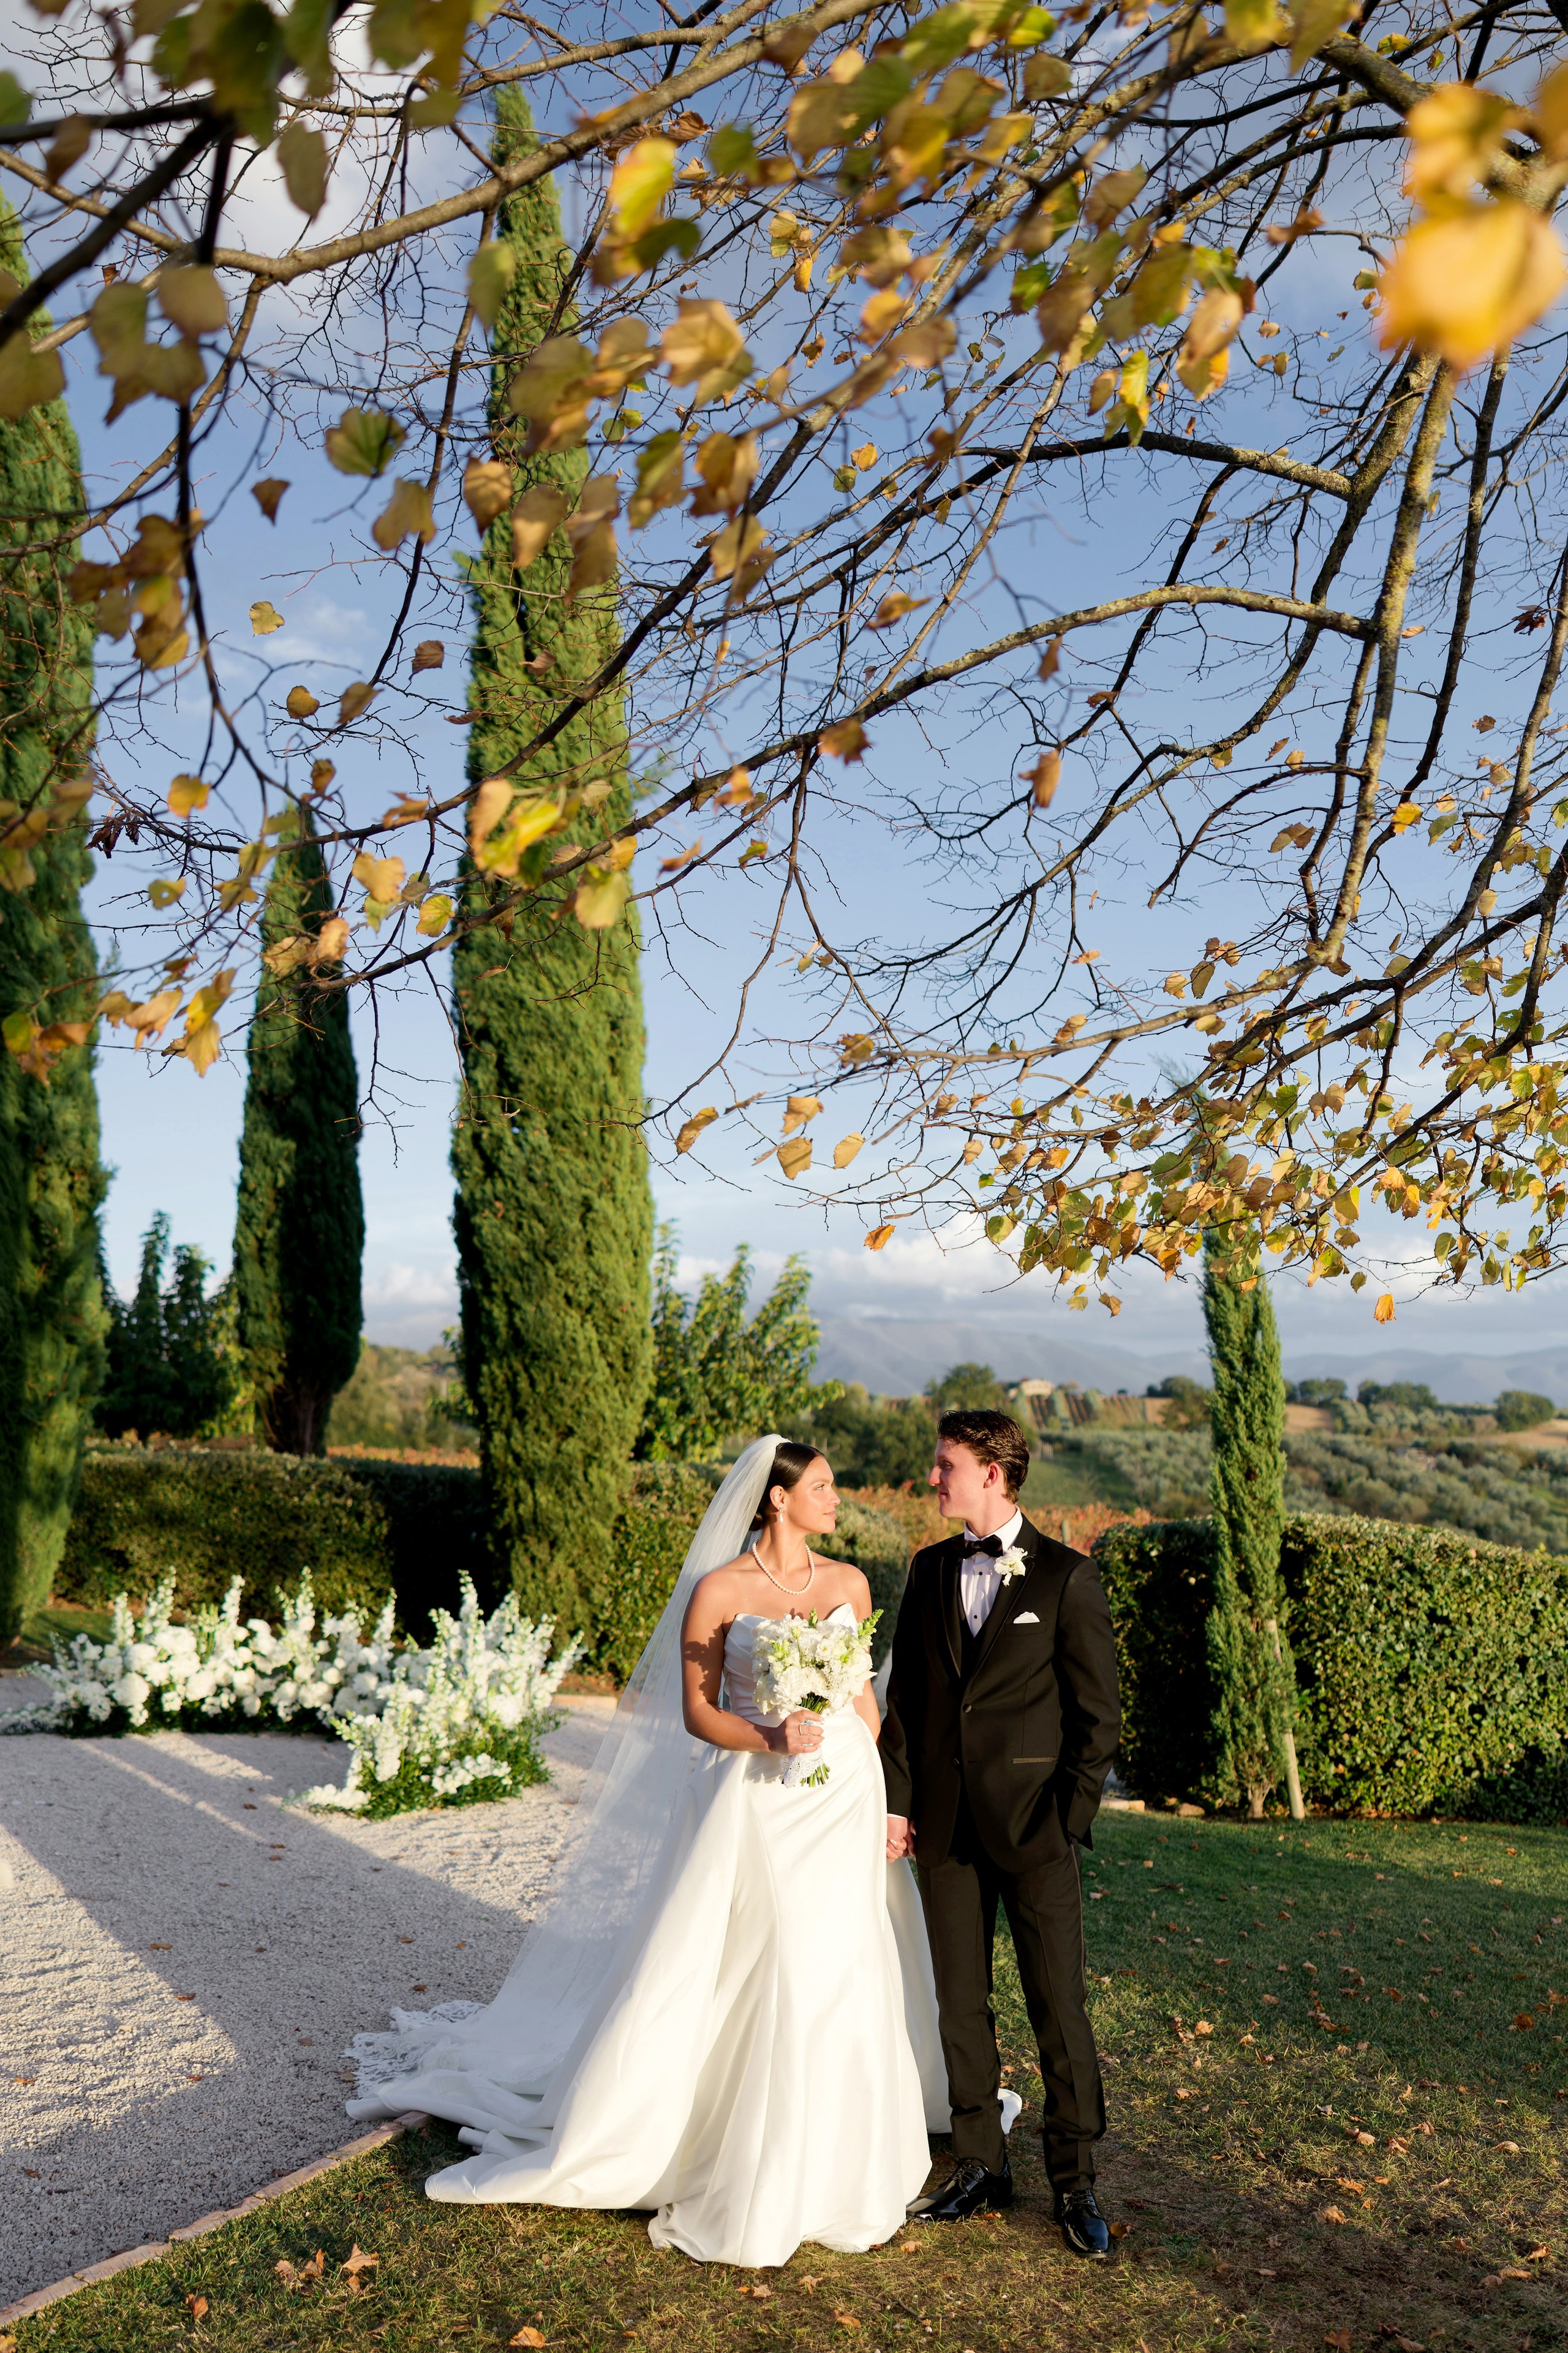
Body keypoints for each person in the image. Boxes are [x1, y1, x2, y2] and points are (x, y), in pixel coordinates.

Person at [345, 1435, 952, 2268]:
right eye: (821, 1484)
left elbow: (864, 1707)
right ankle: (732, 2139)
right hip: (762, 1798)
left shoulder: (848, 1584)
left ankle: (845, 2141)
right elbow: (700, 1714)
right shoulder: (722, 1589)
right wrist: (768, 1732)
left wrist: (885, 1799)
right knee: (773, 1958)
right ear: (776, 1498)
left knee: (843, 1957)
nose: (835, 1497)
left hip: (844, 1795)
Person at [881, 1407, 1121, 2258]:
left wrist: (1067, 1821)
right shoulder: (928, 1567)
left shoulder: (1066, 1578)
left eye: (946, 1464)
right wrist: (898, 1802)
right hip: (943, 1830)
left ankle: (1075, 2180)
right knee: (961, 2004)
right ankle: (982, 2164)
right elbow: (906, 1702)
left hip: (1034, 1833)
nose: (933, 1478)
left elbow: (1099, 1719)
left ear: (994, 1470)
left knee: (1060, 2007)